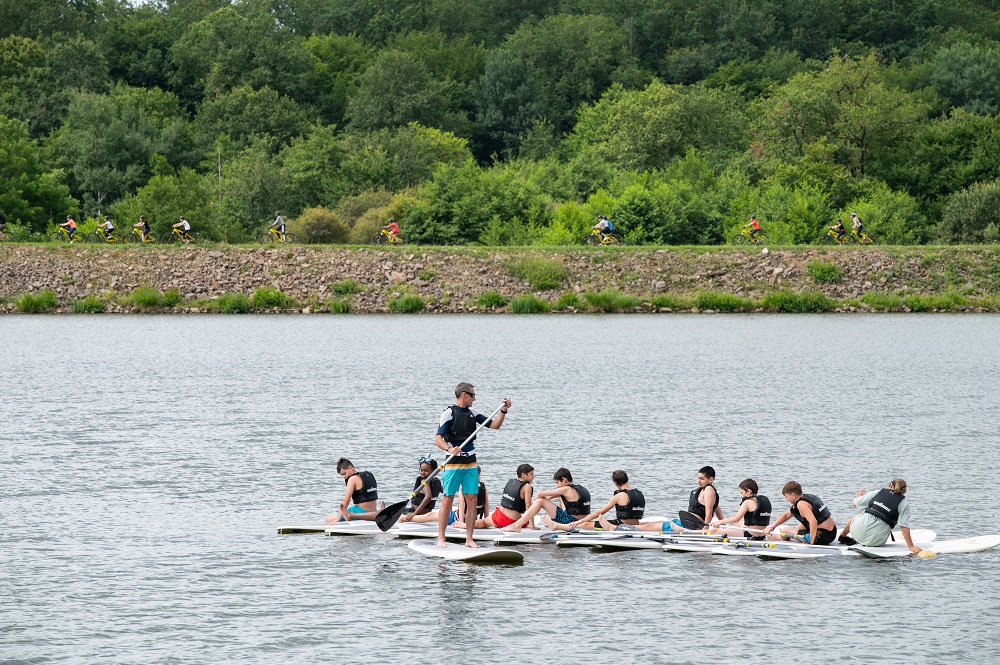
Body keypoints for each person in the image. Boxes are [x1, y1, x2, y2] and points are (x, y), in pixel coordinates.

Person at [435, 383, 512, 548]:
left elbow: (495, 425)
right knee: (448, 499)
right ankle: (441, 538)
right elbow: (438, 439)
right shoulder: (448, 413)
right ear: (464, 395)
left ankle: (469, 539)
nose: (474, 399)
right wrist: (449, 449)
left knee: (472, 499)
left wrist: (503, 411)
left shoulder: (473, 413)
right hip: (453, 462)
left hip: (471, 461)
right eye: (472, 395)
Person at [838, 479, 923, 554]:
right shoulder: (904, 504)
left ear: (891, 485)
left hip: (856, 531)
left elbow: (854, 503)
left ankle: (843, 536)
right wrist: (911, 546)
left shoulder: (878, 492)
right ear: (904, 491)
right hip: (876, 541)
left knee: (856, 517)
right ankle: (862, 540)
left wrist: (859, 496)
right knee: (885, 527)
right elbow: (903, 526)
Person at [500, 467, 591, 532]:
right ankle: (553, 521)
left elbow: (539, 494)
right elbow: (556, 495)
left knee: (540, 501)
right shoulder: (579, 488)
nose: (557, 486)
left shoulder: (565, 489)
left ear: (564, 480)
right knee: (558, 498)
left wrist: (540, 502)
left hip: (570, 521)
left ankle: (516, 525)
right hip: (582, 520)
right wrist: (548, 500)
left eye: (557, 483)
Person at [568, 470, 645, 531]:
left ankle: (562, 526)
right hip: (635, 524)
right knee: (608, 519)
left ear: (616, 483)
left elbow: (599, 512)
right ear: (627, 479)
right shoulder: (639, 493)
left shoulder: (619, 496)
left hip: (621, 525)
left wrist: (580, 521)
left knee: (586, 524)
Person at [763, 481, 837, 545]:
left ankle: (778, 538)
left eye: (786, 497)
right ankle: (794, 537)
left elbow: (813, 521)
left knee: (785, 530)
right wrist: (772, 527)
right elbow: (786, 515)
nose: (786, 499)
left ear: (793, 495)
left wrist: (811, 542)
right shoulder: (808, 497)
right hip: (832, 533)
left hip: (822, 536)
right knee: (800, 526)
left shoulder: (801, 504)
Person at [324, 458, 383, 523]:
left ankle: (348, 516)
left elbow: (346, 501)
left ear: (351, 468)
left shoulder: (352, 479)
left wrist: (338, 519)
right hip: (373, 511)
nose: (344, 477)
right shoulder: (369, 474)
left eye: (344, 473)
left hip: (360, 511)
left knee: (328, 520)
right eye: (342, 475)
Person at [481, 464, 534, 529]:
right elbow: (528, 507)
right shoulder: (527, 486)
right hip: (510, 521)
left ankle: (468, 525)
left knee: (485, 522)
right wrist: (532, 526)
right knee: (526, 522)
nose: (533, 476)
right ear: (523, 475)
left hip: (499, 515)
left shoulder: (511, 482)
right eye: (531, 474)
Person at [399, 456, 443, 524]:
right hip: (426, 513)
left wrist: (414, 514)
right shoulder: (437, 482)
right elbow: (446, 492)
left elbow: (428, 496)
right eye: (421, 470)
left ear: (433, 471)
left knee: (395, 514)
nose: (423, 473)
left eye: (426, 470)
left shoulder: (424, 482)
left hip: (417, 513)